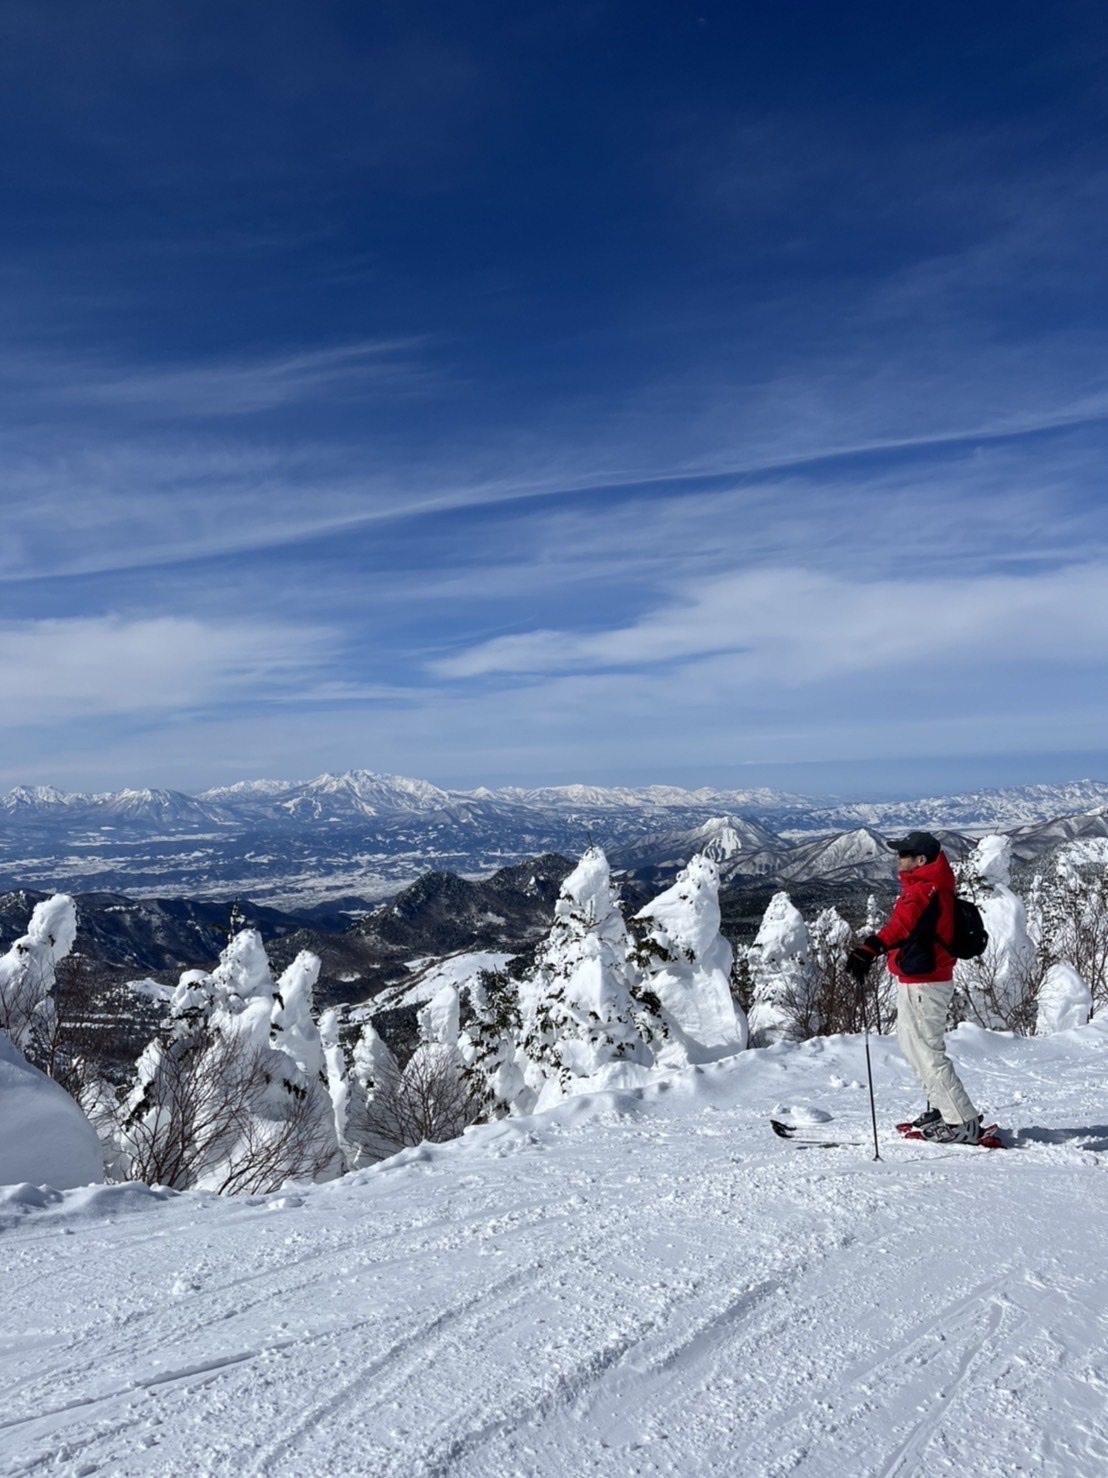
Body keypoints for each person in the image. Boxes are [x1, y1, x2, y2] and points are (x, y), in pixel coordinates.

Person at [846, 830, 981, 1145]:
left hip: (926, 983)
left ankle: (962, 1122)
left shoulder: (924, 890)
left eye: (904, 854)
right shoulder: (929, 887)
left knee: (927, 1052)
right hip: (919, 979)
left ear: (921, 860)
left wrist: (869, 949)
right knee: (912, 1046)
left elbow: (901, 926)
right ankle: (941, 1109)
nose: (898, 858)